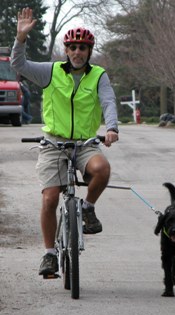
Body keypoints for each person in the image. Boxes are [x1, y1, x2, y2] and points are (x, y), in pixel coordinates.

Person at [11, 7, 119, 276]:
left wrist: (112, 128)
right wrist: (21, 38)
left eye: (82, 47)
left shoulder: (98, 75)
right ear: (67, 50)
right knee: (50, 198)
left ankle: (88, 208)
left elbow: (108, 102)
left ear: (89, 51)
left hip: (85, 143)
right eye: (72, 47)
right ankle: (49, 255)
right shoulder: (51, 71)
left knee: (102, 169)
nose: (77, 52)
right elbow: (18, 65)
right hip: (53, 143)